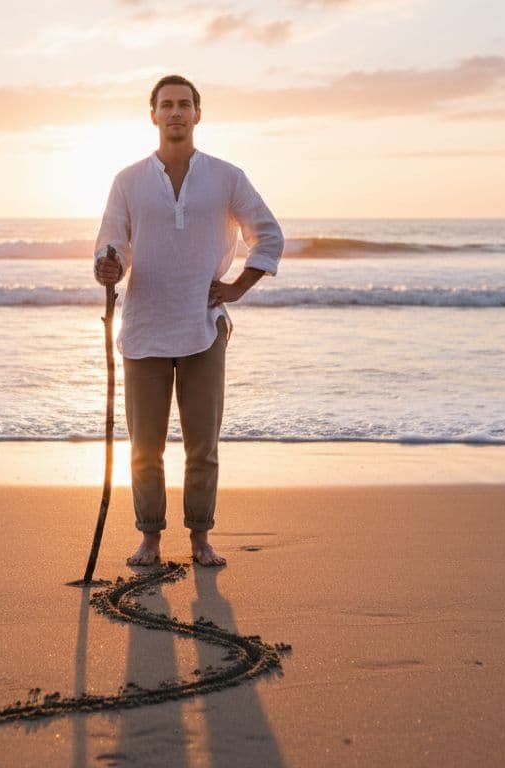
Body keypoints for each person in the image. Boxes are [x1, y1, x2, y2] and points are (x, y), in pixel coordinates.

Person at [93, 74, 283, 568]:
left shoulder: (226, 177)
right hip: (143, 332)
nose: (175, 112)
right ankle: (150, 538)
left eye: (184, 105)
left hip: (203, 330)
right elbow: (112, 246)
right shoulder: (128, 181)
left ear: (198, 114)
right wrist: (107, 267)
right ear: (152, 114)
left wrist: (238, 287)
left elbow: (269, 236)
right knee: (146, 448)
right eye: (166, 105)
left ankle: (200, 538)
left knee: (203, 445)